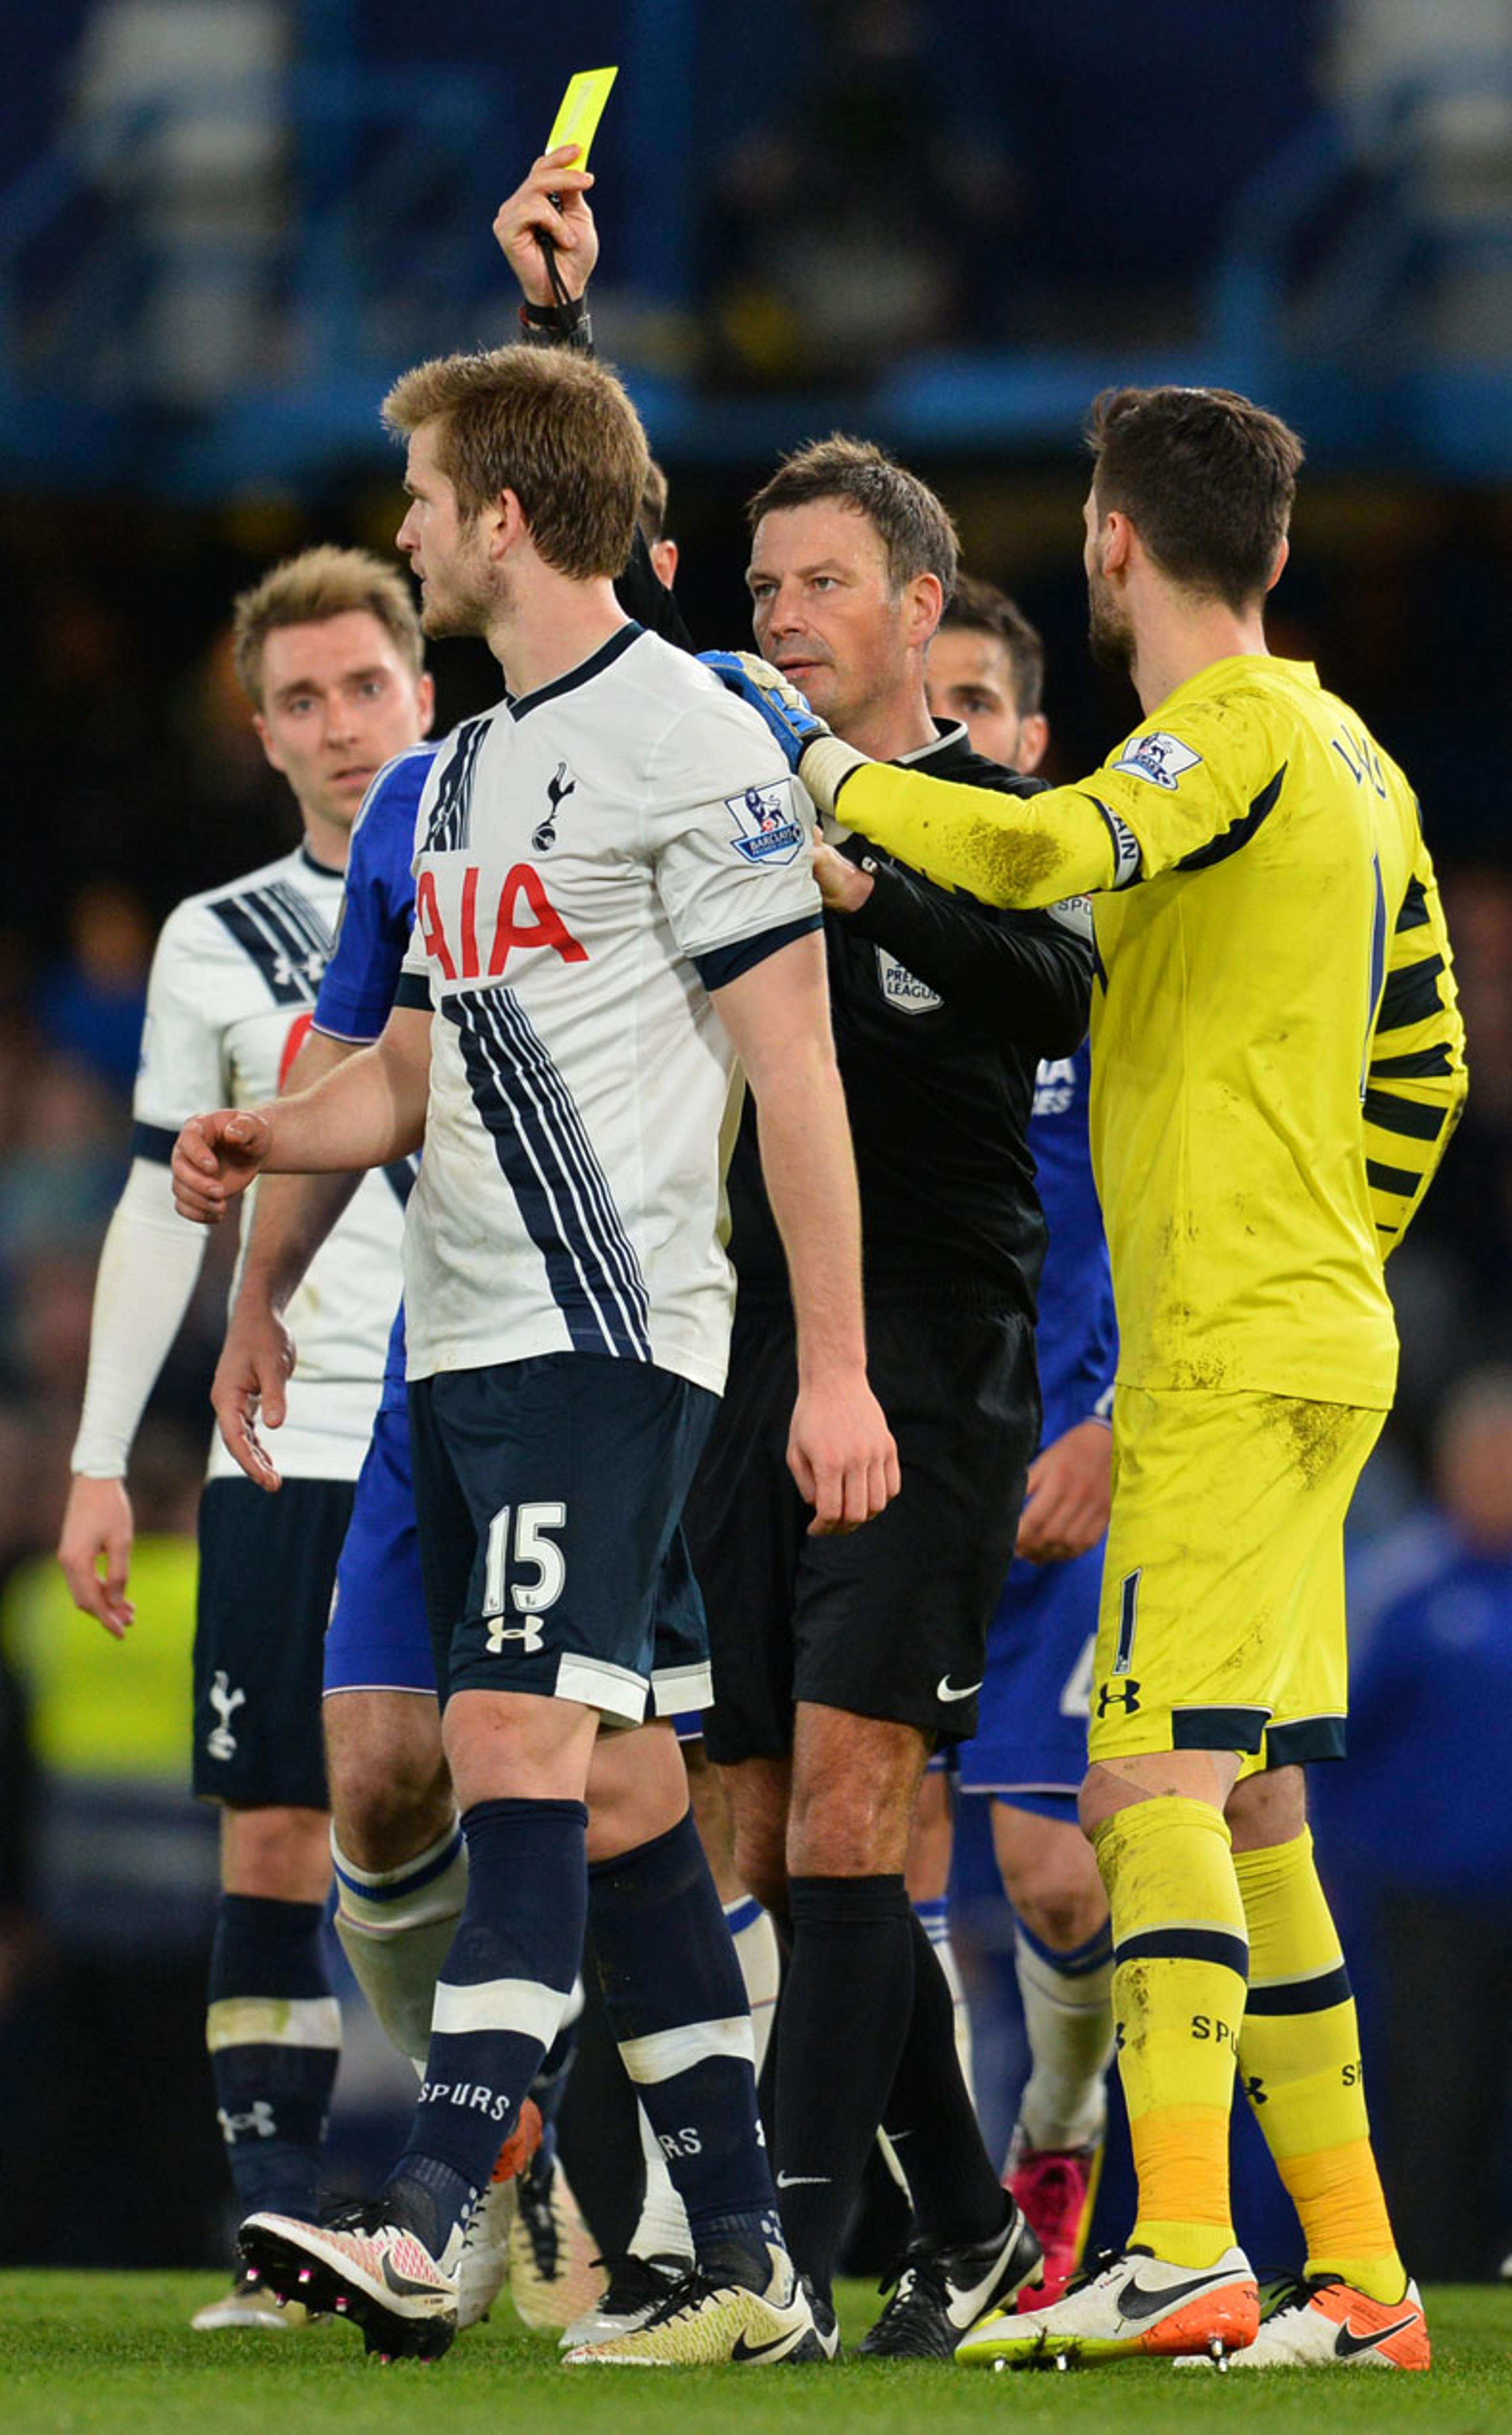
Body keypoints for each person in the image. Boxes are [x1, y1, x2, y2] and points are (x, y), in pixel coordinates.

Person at [711, 383, 1466, 2370]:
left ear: (1112, 545)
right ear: (1276, 548)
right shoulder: (1361, 765)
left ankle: (1191, 2241)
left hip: (1223, 1344)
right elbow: (1431, 1066)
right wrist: (1338, 1248)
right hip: (1314, 1332)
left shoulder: (1217, 737)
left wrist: (813, 763)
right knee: (1265, 1806)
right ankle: (1369, 2279)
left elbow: (1042, 843)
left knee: (1138, 1777)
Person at [171, 339, 896, 2368]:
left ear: (499, 512)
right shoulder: (467, 768)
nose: (401, 528)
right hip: (466, 1349)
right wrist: (267, 1149)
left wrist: (830, 1369)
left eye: (419, 494)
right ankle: (748, 2262)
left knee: (504, 1754)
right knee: (633, 1791)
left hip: (610, 1331)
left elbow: (800, 1071)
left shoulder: (691, 736)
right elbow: (403, 1070)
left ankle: (424, 2208)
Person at [690, 443, 1093, 2356]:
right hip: (752, 1344)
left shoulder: (1001, 814)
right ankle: (963, 2217)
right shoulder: (723, 801)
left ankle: (783, 2264)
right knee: (760, 1824)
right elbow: (603, 558)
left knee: (860, 1813)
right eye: (764, 589)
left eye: (822, 584)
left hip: (930, 1358)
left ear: (923, 608)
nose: (780, 618)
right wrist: (573, 329)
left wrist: (866, 888)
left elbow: (1053, 992)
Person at [56, 545, 434, 2327]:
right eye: (302, 699)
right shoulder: (216, 939)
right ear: (260, 731)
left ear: (424, 691)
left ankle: (495, 2182)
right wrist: (92, 1462)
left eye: (367, 685)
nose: (340, 724)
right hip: (282, 1435)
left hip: (485, 1411)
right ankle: (285, 2239)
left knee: (524, 1807)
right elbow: (158, 1205)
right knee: (282, 1835)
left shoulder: (505, 882)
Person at [925, 579, 1118, 2307]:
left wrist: (1116, 1423)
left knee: (1056, 1873)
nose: (959, 732)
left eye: (981, 704)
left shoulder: (1104, 945)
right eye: (938, 707)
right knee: (860, 1855)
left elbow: (1191, 1202)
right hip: (904, 1462)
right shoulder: (858, 924)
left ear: (1036, 740)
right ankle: (932, 2228)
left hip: (1064, 1476)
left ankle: (1056, 2136)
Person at [1318, 1368, 1512, 2284]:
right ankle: (1426, 2277)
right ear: (1452, 1468)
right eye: (1490, 1461)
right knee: (1435, 2096)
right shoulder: (1403, 1587)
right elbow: (1332, 1739)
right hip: (1423, 1901)